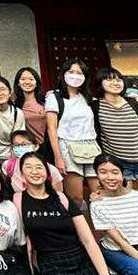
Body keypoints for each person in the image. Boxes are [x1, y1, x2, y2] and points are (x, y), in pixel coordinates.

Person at [92, 67, 138, 198]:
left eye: (118, 80)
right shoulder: (95, 107)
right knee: (124, 200)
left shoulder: (135, 103)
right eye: (109, 79)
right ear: (99, 83)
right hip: (118, 163)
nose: (115, 83)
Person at [46, 59, 99, 205]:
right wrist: (58, 157)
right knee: (76, 197)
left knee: (99, 194)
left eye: (79, 73)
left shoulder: (89, 98)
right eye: (71, 72)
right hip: (67, 147)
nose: (75, 75)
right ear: (63, 74)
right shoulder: (54, 97)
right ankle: (78, 219)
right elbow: (52, 128)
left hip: (91, 147)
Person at [13, 67, 49, 156]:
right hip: (28, 147)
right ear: (18, 83)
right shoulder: (15, 106)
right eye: (23, 79)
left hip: (48, 145)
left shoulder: (47, 101)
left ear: (36, 82)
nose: (27, 82)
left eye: (31, 79)